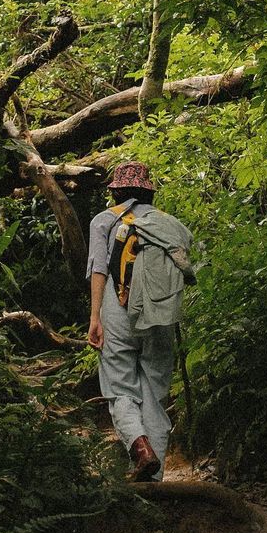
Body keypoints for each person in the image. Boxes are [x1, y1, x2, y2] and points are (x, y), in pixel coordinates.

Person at [85, 161, 193, 481]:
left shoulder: (103, 220)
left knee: (120, 388)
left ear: (116, 191)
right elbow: (185, 273)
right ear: (148, 192)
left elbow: (99, 270)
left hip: (117, 311)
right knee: (155, 396)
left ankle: (140, 447)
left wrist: (95, 318)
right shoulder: (167, 223)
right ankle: (155, 482)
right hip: (159, 317)